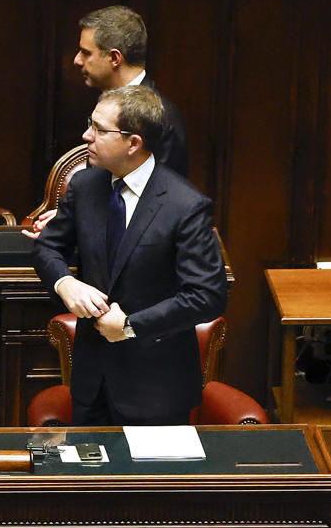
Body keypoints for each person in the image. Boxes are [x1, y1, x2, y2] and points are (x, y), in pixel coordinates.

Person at [32, 84, 227, 425]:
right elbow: (48, 246)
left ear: (133, 143)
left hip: (156, 390)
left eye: (98, 129)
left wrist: (129, 327)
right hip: (92, 384)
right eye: (89, 123)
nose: (86, 135)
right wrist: (65, 283)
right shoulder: (86, 186)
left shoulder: (185, 206)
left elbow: (206, 296)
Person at [73, 5, 188, 180]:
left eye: (86, 53)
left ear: (114, 58)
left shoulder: (162, 117)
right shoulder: (107, 104)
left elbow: (161, 199)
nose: (77, 60)